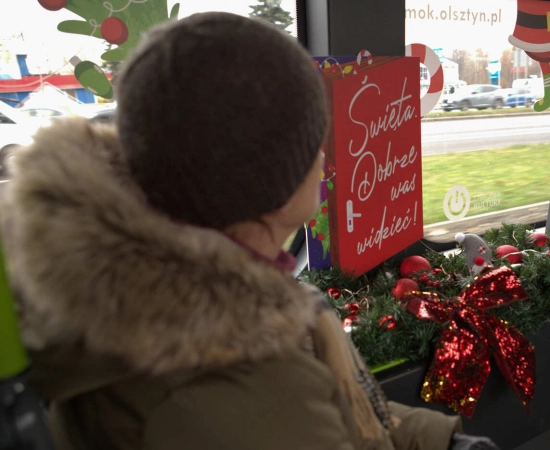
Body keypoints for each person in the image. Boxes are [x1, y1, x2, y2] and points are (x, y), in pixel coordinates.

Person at [0, 12, 499, 450]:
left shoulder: (199, 296)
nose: (325, 156)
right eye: (313, 141)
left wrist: (440, 440)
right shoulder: (227, 388)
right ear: (273, 180)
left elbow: (346, 412)